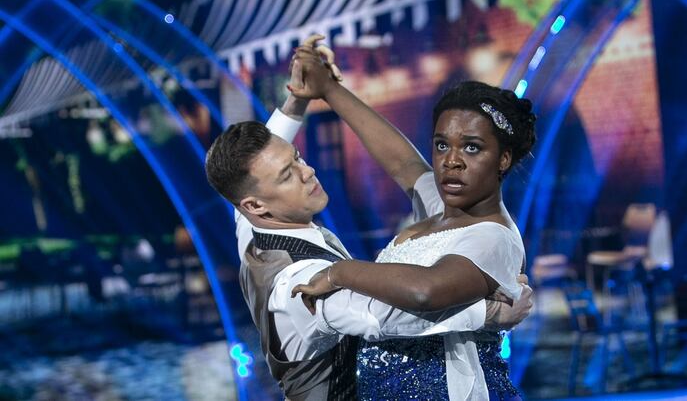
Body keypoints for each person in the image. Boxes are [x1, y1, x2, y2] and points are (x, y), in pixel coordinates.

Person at [205, 36, 533, 400]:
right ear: (254, 207)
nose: (308, 170)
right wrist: (486, 314)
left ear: (502, 159)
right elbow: (384, 315)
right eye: (442, 145)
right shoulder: (292, 282)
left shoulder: (252, 226)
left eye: (297, 157)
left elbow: (402, 164)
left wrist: (308, 96)